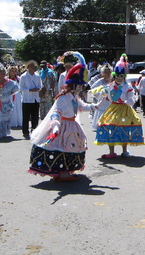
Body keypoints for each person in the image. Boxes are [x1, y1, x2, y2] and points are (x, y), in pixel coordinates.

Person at [29, 51, 97, 181]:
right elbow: (56, 113)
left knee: (70, 147)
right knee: (62, 147)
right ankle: (62, 172)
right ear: (73, 85)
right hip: (63, 126)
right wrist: (55, 127)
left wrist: (98, 104)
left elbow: (83, 107)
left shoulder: (74, 97)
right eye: (79, 86)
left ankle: (65, 171)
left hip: (73, 126)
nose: (80, 89)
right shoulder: (63, 98)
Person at [93, 54, 145, 158]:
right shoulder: (111, 85)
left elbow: (132, 97)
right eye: (117, 76)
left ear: (124, 76)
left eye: (121, 76)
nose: (119, 78)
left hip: (124, 109)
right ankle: (111, 152)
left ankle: (124, 151)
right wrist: (97, 94)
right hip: (112, 108)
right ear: (114, 76)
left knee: (124, 128)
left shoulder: (127, 86)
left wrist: (127, 101)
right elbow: (104, 94)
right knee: (109, 127)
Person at [19, 60, 43, 139]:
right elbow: (21, 88)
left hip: (35, 99)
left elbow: (40, 85)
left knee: (35, 116)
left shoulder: (37, 76)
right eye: (31, 66)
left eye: (34, 66)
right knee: (26, 116)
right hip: (27, 99)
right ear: (28, 67)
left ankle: (34, 129)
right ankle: (25, 131)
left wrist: (38, 89)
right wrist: (30, 90)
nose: (33, 67)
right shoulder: (23, 76)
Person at [90, 64, 113, 131]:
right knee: (101, 112)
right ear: (103, 73)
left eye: (109, 71)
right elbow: (93, 89)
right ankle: (100, 125)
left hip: (111, 100)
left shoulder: (113, 80)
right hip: (102, 100)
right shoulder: (100, 81)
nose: (107, 73)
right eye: (106, 71)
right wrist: (99, 94)